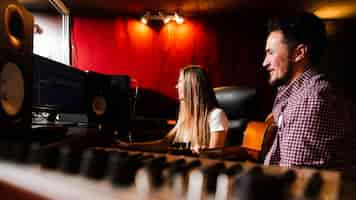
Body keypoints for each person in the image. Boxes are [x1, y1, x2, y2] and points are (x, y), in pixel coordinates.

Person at [262, 11, 356, 171]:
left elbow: (293, 184)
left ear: (299, 53)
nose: (265, 62)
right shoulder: (298, 95)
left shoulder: (308, 101)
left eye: (271, 53)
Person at [116, 65, 229, 154]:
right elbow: (164, 144)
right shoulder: (185, 117)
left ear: (191, 86)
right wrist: (129, 146)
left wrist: (204, 152)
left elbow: (215, 155)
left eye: (180, 82)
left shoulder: (216, 116)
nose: (176, 86)